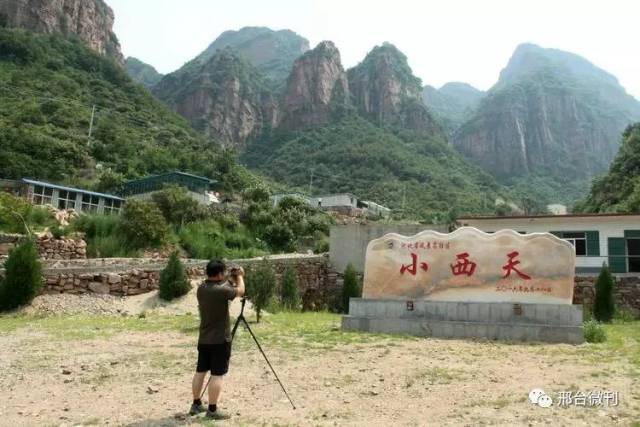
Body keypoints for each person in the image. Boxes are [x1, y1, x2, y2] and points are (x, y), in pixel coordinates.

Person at [189, 259, 245, 420]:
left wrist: (229, 278)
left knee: (200, 371)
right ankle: (212, 410)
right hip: (220, 340)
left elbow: (222, 286)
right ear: (220, 273)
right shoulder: (223, 290)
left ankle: (196, 403)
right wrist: (239, 276)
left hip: (204, 339)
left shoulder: (201, 289)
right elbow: (240, 291)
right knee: (217, 374)